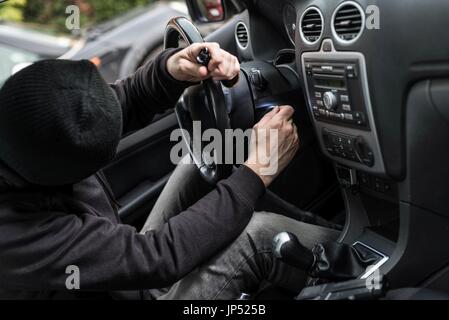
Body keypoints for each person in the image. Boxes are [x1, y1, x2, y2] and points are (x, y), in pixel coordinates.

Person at [0, 43, 338, 300]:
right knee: (259, 237)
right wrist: (257, 171)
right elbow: (158, 256)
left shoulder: (30, 120)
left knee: (203, 159)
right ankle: (372, 272)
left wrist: (172, 69)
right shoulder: (15, 239)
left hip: (127, 286)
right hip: (140, 279)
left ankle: (335, 233)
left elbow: (124, 100)